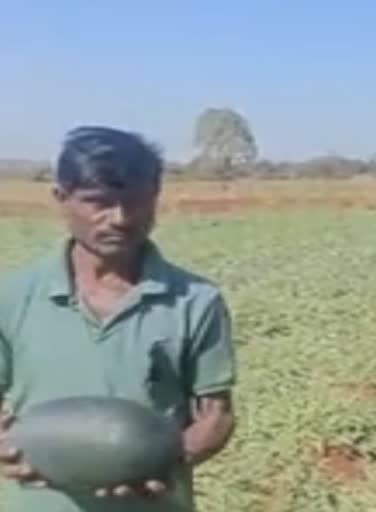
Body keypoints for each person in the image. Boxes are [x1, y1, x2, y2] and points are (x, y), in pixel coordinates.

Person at [0, 126, 237, 512]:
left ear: (155, 197)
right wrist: (9, 450)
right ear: (62, 198)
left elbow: (217, 415)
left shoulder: (196, 300)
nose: (120, 218)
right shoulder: (11, 297)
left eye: (137, 201)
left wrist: (163, 463)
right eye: (99, 202)